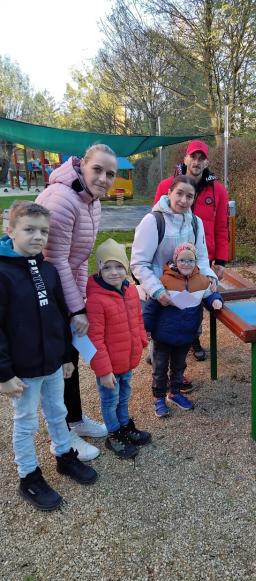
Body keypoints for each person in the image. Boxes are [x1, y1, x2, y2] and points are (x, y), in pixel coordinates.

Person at [0, 201, 97, 512]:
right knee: (26, 422)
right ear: (10, 230)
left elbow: (59, 317)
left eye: (43, 231)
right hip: (23, 370)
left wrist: (66, 356)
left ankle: (64, 455)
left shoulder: (48, 270)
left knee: (58, 412)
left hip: (53, 363)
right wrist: (4, 373)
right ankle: (28, 475)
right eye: (29, 229)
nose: (38, 237)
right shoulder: (3, 274)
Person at [36, 144, 118, 461]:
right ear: (83, 165)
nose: (103, 178)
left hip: (64, 290)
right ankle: (62, 435)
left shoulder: (91, 201)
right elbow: (55, 260)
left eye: (110, 174)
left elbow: (80, 258)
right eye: (97, 169)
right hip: (46, 293)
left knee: (71, 356)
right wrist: (76, 309)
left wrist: (81, 300)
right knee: (58, 366)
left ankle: (75, 418)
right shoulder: (62, 199)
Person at [154, 140, 229, 361]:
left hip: (202, 256)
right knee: (170, 299)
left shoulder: (218, 191)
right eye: (193, 157)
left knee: (195, 300)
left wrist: (220, 260)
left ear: (207, 162)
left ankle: (193, 339)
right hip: (172, 256)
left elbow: (222, 226)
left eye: (201, 158)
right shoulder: (167, 185)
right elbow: (156, 219)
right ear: (186, 158)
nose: (196, 162)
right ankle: (161, 344)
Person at [86, 239, 151, 459]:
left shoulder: (130, 290)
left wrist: (141, 340)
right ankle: (114, 433)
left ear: (126, 268)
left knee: (124, 396)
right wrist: (104, 371)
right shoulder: (96, 299)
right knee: (110, 400)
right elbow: (94, 339)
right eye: (107, 267)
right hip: (109, 367)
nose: (114, 272)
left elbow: (137, 318)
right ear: (99, 269)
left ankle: (124, 425)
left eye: (119, 266)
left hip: (126, 360)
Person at [143, 242, 223, 417]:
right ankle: (159, 398)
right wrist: (146, 327)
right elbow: (150, 307)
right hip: (163, 335)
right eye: (182, 260)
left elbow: (210, 294)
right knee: (160, 369)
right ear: (175, 261)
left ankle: (175, 393)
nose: (186, 264)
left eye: (190, 260)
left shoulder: (201, 281)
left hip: (186, 334)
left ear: (196, 262)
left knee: (179, 366)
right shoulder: (164, 281)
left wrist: (216, 300)